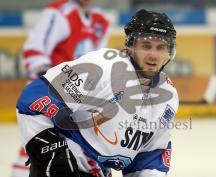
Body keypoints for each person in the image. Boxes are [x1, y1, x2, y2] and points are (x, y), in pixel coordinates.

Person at [16, 9, 178, 177]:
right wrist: (49, 152)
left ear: (169, 53)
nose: (153, 54)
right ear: (131, 46)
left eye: (161, 48)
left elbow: (149, 158)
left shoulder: (168, 96)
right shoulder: (102, 67)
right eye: (146, 45)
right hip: (63, 164)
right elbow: (34, 100)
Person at [11, 0, 109, 176]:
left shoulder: (101, 20)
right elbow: (35, 50)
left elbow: (100, 63)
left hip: (80, 98)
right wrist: (53, 83)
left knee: (79, 149)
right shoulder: (60, 12)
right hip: (51, 92)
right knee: (40, 145)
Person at [23, 0, 109, 80]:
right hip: (48, 86)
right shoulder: (58, 12)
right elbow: (35, 49)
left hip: (76, 88)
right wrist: (47, 76)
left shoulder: (101, 20)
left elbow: (97, 60)